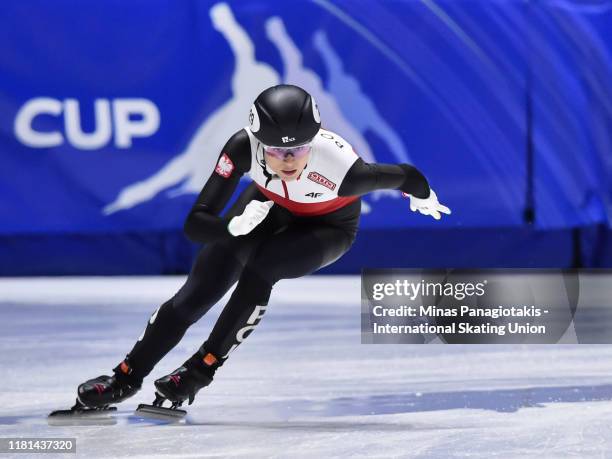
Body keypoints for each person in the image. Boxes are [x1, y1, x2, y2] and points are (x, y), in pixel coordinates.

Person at [76, 84, 451, 409]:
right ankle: (125, 376)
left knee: (262, 269)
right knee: (198, 291)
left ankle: (199, 369)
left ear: (314, 141)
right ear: (258, 143)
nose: (288, 161)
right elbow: (196, 223)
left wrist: (424, 195)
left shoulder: (344, 170)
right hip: (265, 207)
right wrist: (228, 229)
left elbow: (405, 175)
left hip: (329, 226)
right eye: (275, 151)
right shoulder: (241, 148)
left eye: (299, 150)